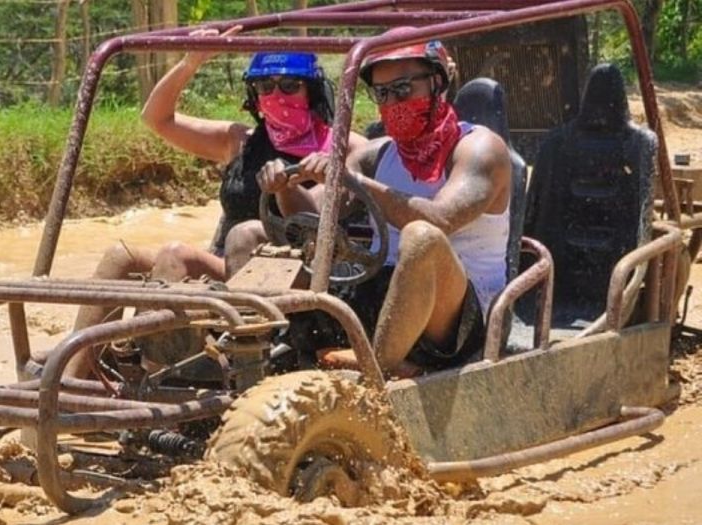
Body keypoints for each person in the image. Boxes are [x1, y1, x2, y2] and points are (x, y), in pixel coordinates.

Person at [62, 28, 366, 379]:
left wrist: (290, 185)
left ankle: (171, 377)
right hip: (232, 265)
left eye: (288, 86)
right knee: (127, 255)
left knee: (236, 236)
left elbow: (326, 217)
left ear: (310, 90)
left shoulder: (345, 147)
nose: (276, 95)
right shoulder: (242, 141)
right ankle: (78, 380)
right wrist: (191, 63)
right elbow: (156, 119)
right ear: (254, 94)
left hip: (304, 273)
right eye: (266, 87)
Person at [260, 30, 511, 377]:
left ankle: (376, 373)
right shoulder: (376, 155)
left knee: (422, 238)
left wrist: (356, 181)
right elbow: (315, 219)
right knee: (248, 235)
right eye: (383, 93)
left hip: (459, 319)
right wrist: (284, 188)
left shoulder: (481, 149)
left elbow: (439, 220)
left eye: (403, 89)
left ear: (438, 82)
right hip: (378, 294)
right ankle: (245, 361)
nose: (393, 103)